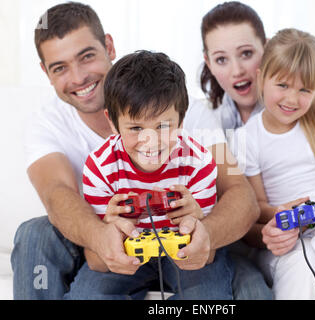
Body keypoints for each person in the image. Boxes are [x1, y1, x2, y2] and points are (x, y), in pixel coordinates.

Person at [11, 2, 265, 299]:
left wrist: (205, 234)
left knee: (251, 290)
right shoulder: (47, 126)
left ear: (108, 45)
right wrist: (101, 238)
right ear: (45, 72)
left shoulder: (189, 113)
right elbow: (57, 195)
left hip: (187, 242)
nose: (79, 77)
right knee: (35, 233)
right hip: (101, 238)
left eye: (87, 56)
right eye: (60, 67)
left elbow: (240, 193)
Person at [199, 1, 315, 299]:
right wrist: (281, 220)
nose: (237, 70)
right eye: (222, 59)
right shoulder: (220, 127)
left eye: (246, 53)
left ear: (264, 52)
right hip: (278, 235)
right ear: (208, 62)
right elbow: (247, 206)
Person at [62, 50, 234, 299]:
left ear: (182, 120)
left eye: (163, 126)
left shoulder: (198, 162)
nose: (150, 142)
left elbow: (206, 255)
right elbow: (96, 261)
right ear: (112, 122)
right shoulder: (100, 167)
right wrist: (109, 231)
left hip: (182, 254)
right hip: (128, 253)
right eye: (135, 127)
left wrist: (196, 224)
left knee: (208, 297)